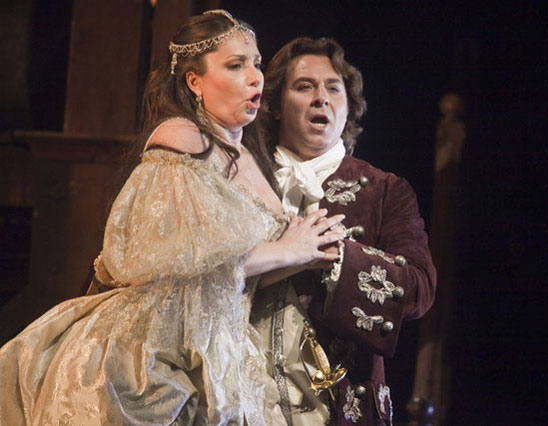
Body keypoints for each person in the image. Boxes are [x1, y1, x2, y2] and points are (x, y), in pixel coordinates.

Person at [0, 12, 345, 425]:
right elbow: (184, 266)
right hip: (158, 352)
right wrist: (289, 251)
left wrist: (305, 252)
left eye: (256, 63)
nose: (255, 78)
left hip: (223, 344)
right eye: (235, 66)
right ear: (194, 82)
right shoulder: (182, 138)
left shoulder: (246, 153)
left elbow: (241, 274)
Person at [250, 37, 437, 425]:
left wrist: (339, 258)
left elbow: (420, 289)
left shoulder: (385, 191)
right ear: (277, 105)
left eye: (333, 88)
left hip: (337, 407)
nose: (321, 98)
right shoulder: (243, 178)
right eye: (304, 86)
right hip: (244, 397)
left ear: (349, 107)